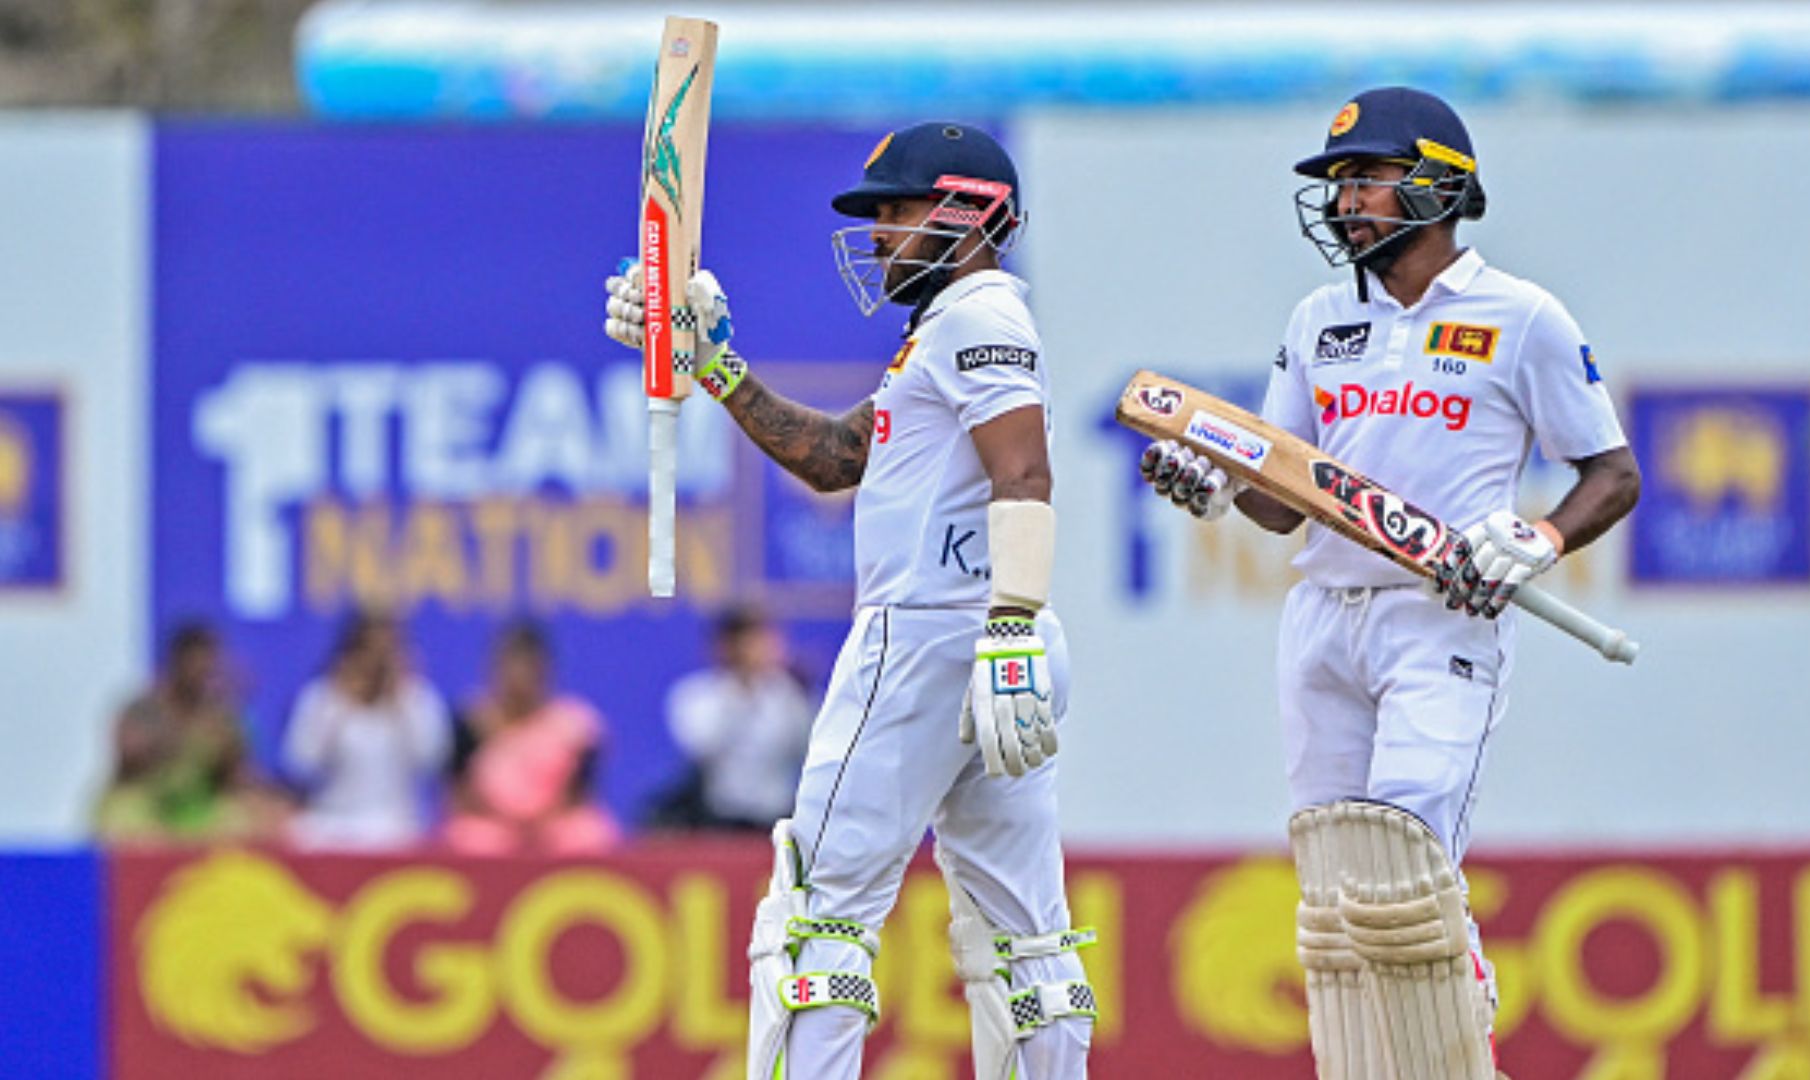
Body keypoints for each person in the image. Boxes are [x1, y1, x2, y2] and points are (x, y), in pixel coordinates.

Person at [1141, 87, 1640, 1080]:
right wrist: (1215, 488)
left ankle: (1463, 1049)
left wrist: (1535, 537)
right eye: (1339, 183)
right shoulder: (1321, 318)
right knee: (1333, 893)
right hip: (1322, 618)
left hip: (1439, 618)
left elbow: (1613, 474)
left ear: (1439, 189)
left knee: (1405, 872)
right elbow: (1287, 498)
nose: (1345, 202)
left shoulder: (1520, 316)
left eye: (1366, 179)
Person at [606, 122, 1096, 1079]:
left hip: (930, 639)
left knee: (816, 913)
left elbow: (1026, 473)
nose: (877, 234)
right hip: (998, 642)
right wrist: (714, 364)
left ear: (968, 213)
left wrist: (1005, 622)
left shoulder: (976, 317)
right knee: (1025, 938)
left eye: (897, 212)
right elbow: (836, 460)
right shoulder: (946, 332)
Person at [442, 620, 620, 854]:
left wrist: (542, 819)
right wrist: (506, 818)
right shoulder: (473, 722)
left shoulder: (573, 727)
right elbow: (458, 797)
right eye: (511, 667)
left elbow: (581, 796)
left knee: (589, 833)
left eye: (528, 668)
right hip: (494, 825)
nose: (519, 678)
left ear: (545, 672)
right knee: (467, 836)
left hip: (552, 825)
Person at [281, 609, 450, 850]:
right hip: (331, 823)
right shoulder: (322, 697)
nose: (375, 665)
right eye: (369, 652)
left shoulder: (417, 699)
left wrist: (400, 704)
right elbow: (299, 766)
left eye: (385, 654)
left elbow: (432, 762)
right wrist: (339, 709)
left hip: (395, 827)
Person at [96, 622, 264, 841]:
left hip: (199, 810)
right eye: (195, 663)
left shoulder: (219, 714)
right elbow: (129, 758)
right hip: (147, 803)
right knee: (122, 820)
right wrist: (181, 736)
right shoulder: (144, 708)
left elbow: (232, 775)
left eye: (209, 665)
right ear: (177, 663)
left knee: (246, 821)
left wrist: (228, 742)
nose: (202, 672)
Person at [654, 604, 811, 832]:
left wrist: (801, 696)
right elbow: (701, 747)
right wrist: (740, 691)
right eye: (750, 642)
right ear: (727, 647)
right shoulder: (696, 694)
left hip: (777, 816)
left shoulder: (789, 693)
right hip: (720, 818)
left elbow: (807, 748)